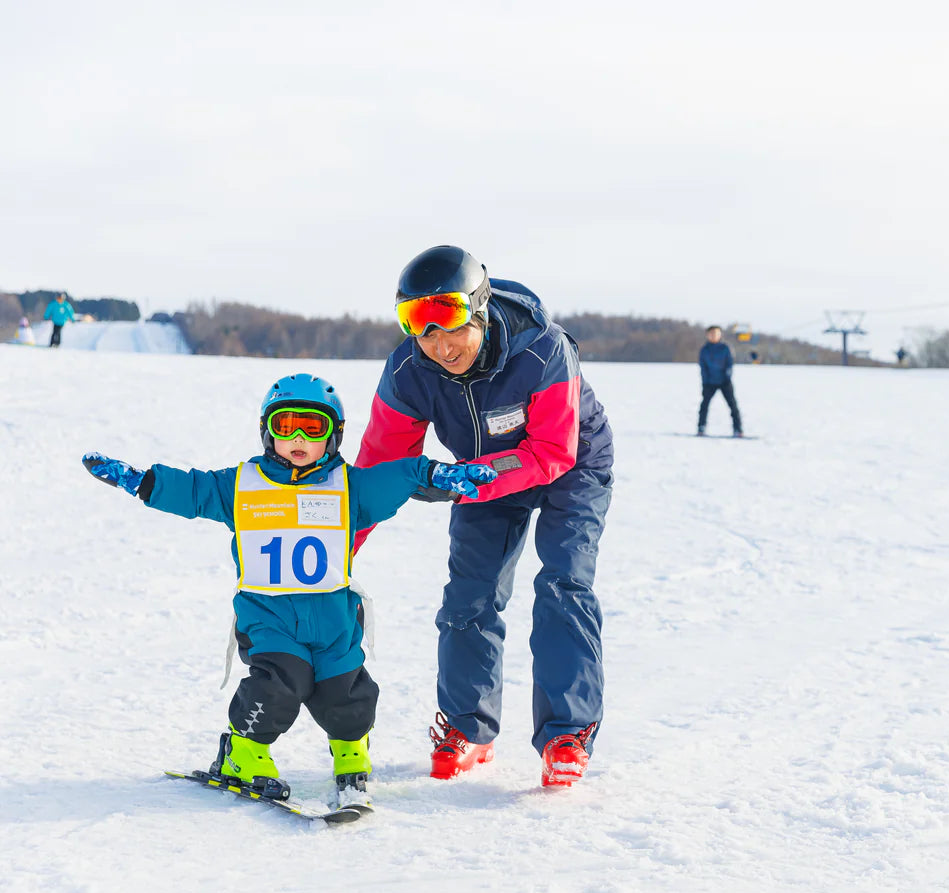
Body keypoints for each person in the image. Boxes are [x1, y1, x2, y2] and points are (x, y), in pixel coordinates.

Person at [81, 373, 495, 807]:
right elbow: (193, 490)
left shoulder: (349, 487)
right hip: (271, 621)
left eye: (312, 428)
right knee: (279, 685)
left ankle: (351, 749)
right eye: (285, 426)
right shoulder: (240, 485)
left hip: (334, 623)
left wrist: (440, 474)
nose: (297, 437)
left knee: (348, 692)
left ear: (333, 435)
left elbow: (400, 478)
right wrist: (141, 482)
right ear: (267, 431)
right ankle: (243, 752)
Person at [354, 245, 614, 788]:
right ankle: (469, 729)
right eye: (420, 329)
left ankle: (568, 732)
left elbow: (551, 452)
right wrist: (345, 537)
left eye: (450, 324)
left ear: (478, 307)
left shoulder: (542, 351)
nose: (440, 345)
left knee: (563, 584)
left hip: (570, 461)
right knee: (470, 594)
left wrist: (474, 478)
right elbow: (381, 464)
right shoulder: (410, 370)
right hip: (481, 473)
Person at [697, 325, 743, 437]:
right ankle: (701, 428)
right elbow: (703, 367)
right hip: (709, 382)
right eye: (712, 333)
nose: (714, 335)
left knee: (732, 405)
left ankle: (738, 429)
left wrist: (727, 377)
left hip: (724, 381)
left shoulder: (725, 348)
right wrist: (705, 382)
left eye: (716, 333)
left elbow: (729, 364)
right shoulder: (704, 350)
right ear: (708, 335)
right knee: (704, 405)